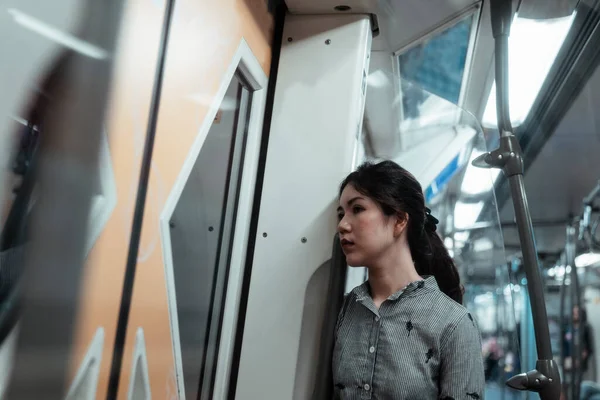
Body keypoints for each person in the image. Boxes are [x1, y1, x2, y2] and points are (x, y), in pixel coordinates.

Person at [332, 160, 485, 399]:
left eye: (357, 209)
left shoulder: (453, 324)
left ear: (400, 220)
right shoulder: (344, 311)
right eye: (341, 214)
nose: (342, 225)